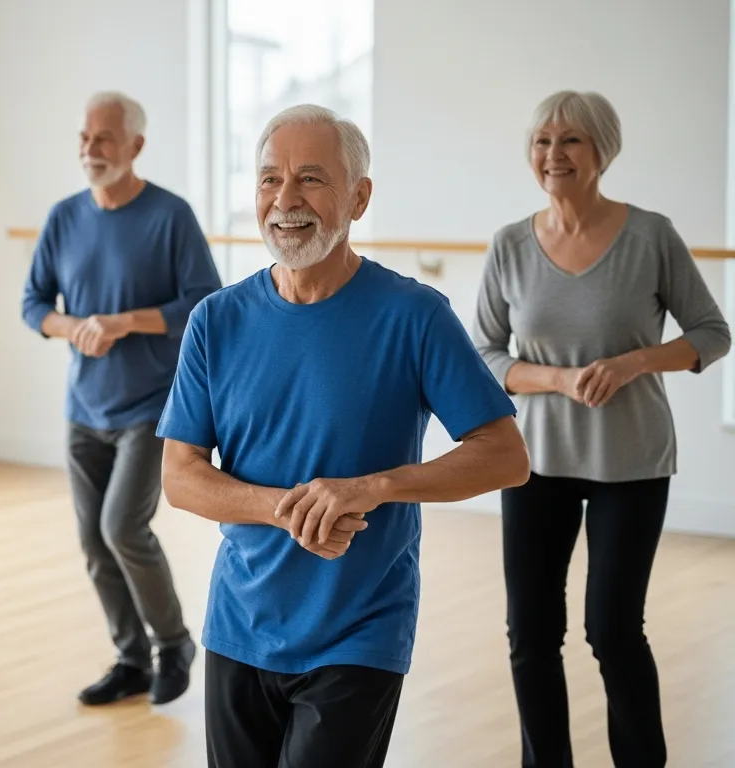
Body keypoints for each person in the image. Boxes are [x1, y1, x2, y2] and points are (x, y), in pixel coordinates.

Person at [156, 103, 531, 768]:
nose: (285, 200)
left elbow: (504, 456)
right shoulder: (216, 320)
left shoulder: (413, 315)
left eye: (311, 179)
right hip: (239, 625)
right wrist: (286, 508)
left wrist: (373, 487)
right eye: (270, 179)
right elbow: (180, 475)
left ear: (359, 196)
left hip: (360, 629)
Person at [472, 90, 731, 768]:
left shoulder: (651, 236)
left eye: (571, 141)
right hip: (535, 462)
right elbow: (486, 355)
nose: (553, 155)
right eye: (542, 142)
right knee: (530, 633)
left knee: (613, 631)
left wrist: (633, 362)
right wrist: (557, 378)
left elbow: (712, 332)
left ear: (601, 151)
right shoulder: (509, 245)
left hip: (633, 461)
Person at [21, 90, 222, 707]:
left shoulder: (170, 216)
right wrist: (73, 325)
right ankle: (132, 658)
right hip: (84, 409)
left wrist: (123, 321)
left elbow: (202, 303)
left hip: (151, 408)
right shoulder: (63, 217)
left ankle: (174, 643)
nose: (90, 150)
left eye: (104, 138)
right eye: (84, 138)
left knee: (122, 528)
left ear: (135, 145)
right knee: (92, 541)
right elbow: (34, 305)